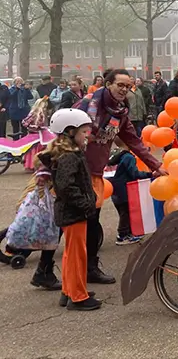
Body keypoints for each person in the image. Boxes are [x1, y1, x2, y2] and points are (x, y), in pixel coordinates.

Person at [76, 69, 164, 284]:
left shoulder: (121, 112)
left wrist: (156, 166)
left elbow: (134, 142)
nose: (125, 89)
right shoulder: (87, 105)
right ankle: (53, 269)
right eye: (120, 85)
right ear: (108, 84)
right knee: (70, 220)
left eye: (128, 86)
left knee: (88, 220)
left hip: (95, 172)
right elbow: (66, 134)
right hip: (76, 171)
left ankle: (88, 268)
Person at [46, 109, 102, 310]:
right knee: (78, 255)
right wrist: (86, 203)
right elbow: (66, 187)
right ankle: (78, 296)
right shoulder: (69, 157)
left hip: (72, 212)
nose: (87, 136)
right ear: (70, 132)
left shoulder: (71, 154)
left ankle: (68, 291)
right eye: (83, 132)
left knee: (71, 253)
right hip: (74, 212)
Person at [108, 137, 152, 245]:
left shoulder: (113, 154)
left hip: (113, 188)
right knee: (126, 212)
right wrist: (148, 174)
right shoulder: (128, 157)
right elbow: (134, 174)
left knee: (122, 211)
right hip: (125, 189)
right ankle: (122, 235)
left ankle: (129, 232)